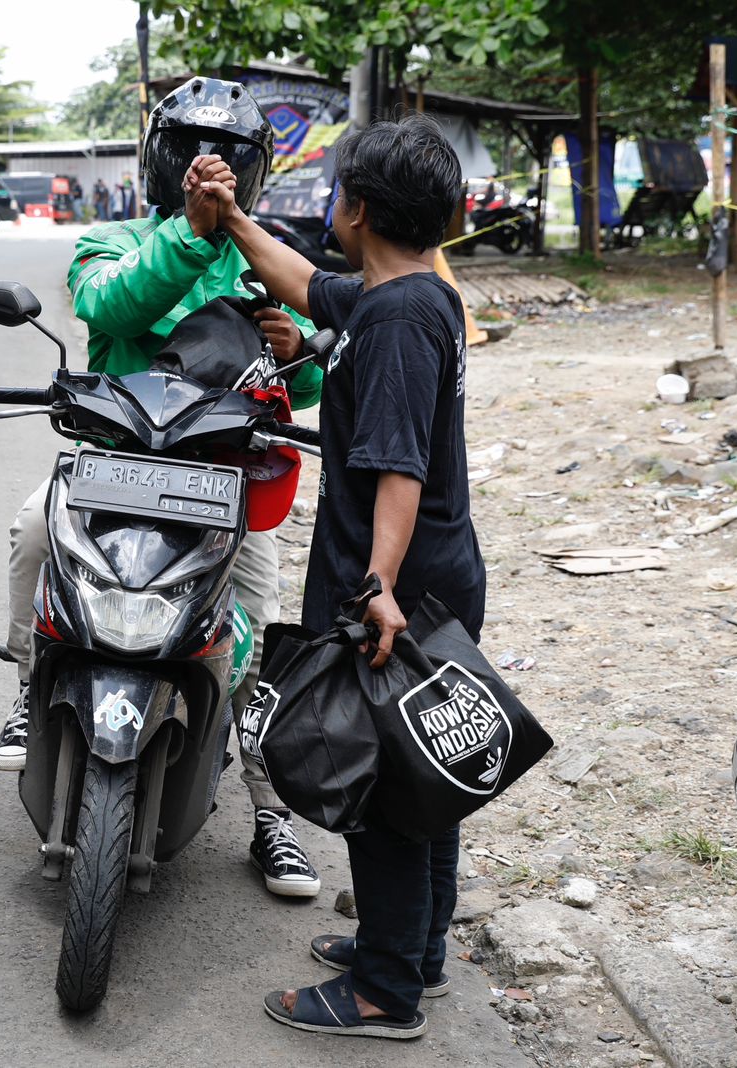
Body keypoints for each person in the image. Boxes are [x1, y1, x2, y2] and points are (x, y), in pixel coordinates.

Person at [0, 79, 327, 899]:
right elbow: (112, 304)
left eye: (226, 163)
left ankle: (270, 814)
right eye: (188, 154)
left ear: (252, 174)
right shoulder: (115, 240)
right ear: (161, 161)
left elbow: (307, 389)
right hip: (115, 461)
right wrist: (190, 233)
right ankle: (32, 688)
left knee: (263, 630)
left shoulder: (264, 252)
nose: (206, 172)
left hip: (223, 480)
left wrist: (295, 346)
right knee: (33, 534)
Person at [212, 113, 485, 1039]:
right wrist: (233, 217)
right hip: (428, 577)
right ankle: (416, 951)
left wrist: (375, 591)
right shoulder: (408, 293)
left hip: (399, 586)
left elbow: (399, 468)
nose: (329, 208)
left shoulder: (402, 318)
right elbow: (311, 285)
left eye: (334, 194)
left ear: (357, 208)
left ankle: (383, 990)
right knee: (426, 777)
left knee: (385, 793)